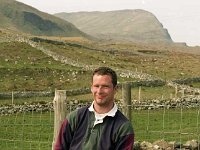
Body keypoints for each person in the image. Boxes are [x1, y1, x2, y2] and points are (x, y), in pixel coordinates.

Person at [54, 67, 134, 150]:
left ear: (115, 89)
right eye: (96, 86)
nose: (99, 91)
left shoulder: (123, 128)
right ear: (91, 88)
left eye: (105, 86)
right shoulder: (74, 118)